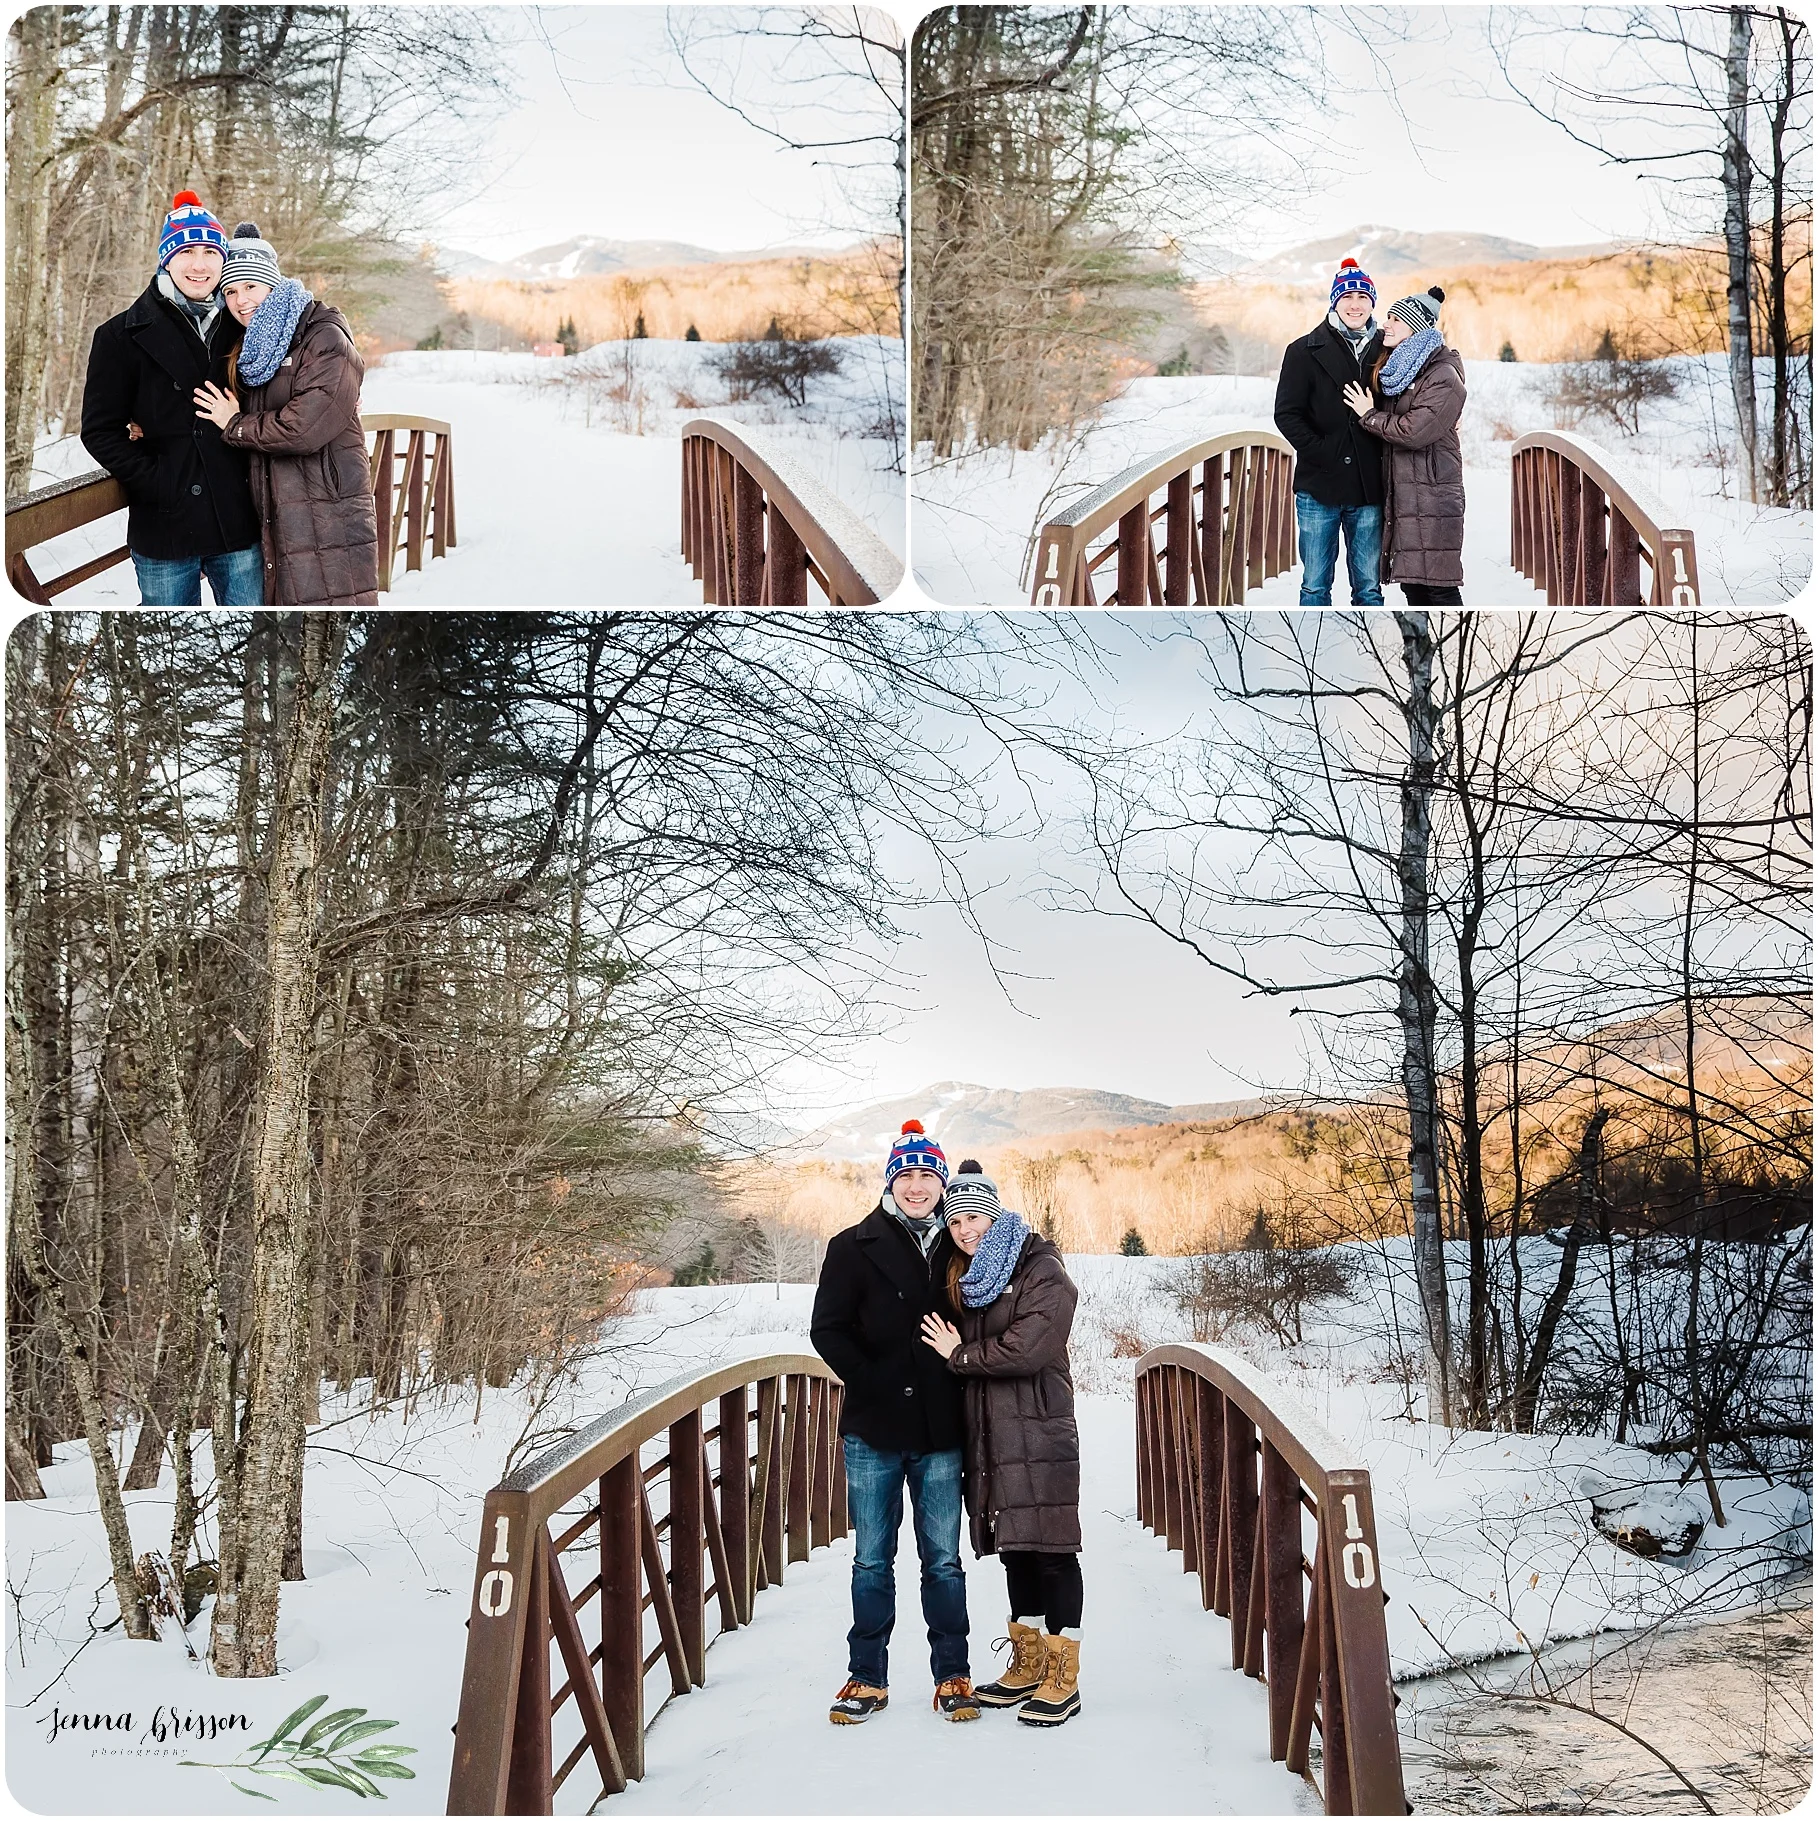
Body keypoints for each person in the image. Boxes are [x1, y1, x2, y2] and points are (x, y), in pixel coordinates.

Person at [810, 1120, 978, 1724]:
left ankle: (953, 1674)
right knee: (872, 1558)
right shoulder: (851, 1246)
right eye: (905, 1175)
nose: (916, 1186)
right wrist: (875, 1376)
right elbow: (825, 1330)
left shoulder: (964, 1246)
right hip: (874, 1428)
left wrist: (962, 1356)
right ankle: (866, 1677)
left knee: (943, 1560)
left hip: (939, 1431)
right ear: (891, 1180)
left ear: (940, 1181)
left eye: (927, 1175)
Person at [920, 1162, 1083, 1728]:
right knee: (1016, 1546)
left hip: (1039, 1429)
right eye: (956, 1220)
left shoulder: (1042, 1268)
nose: (965, 1230)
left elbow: (1028, 1349)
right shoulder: (969, 1277)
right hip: (990, 1433)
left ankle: (1065, 1675)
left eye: (975, 1218)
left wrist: (959, 1356)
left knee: (1053, 1550)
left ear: (995, 1216)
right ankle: (1027, 1664)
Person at [80, 191, 263, 606]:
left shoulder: (247, 324)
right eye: (186, 251)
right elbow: (99, 431)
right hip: (164, 525)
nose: (199, 265)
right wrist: (159, 482)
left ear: (224, 258)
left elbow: (300, 372)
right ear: (166, 258)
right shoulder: (119, 336)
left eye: (210, 251)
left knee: (255, 625)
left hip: (237, 519)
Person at [192, 223, 380, 605]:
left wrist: (234, 424)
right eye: (229, 291)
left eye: (250, 287)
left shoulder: (323, 336)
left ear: (272, 284)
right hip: (279, 509)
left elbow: (303, 429)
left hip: (327, 513)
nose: (240, 301)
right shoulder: (254, 345)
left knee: (328, 614)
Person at [1342, 286, 1467, 606]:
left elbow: (1413, 432)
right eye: (1388, 317)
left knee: (1438, 586)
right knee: (1414, 586)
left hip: (1433, 497)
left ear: (1416, 327)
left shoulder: (1442, 374)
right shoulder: (1398, 369)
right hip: (1404, 496)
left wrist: (1368, 415)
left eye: (1396, 319)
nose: (1387, 323)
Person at [1273, 257, 1386, 606]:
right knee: (1314, 586)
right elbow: (1287, 414)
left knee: (1369, 588)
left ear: (1372, 303)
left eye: (1363, 297)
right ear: (1335, 301)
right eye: (1347, 296)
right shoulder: (1303, 350)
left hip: (1369, 486)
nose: (1355, 304)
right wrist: (1325, 452)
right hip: (1318, 486)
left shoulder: (1388, 347)